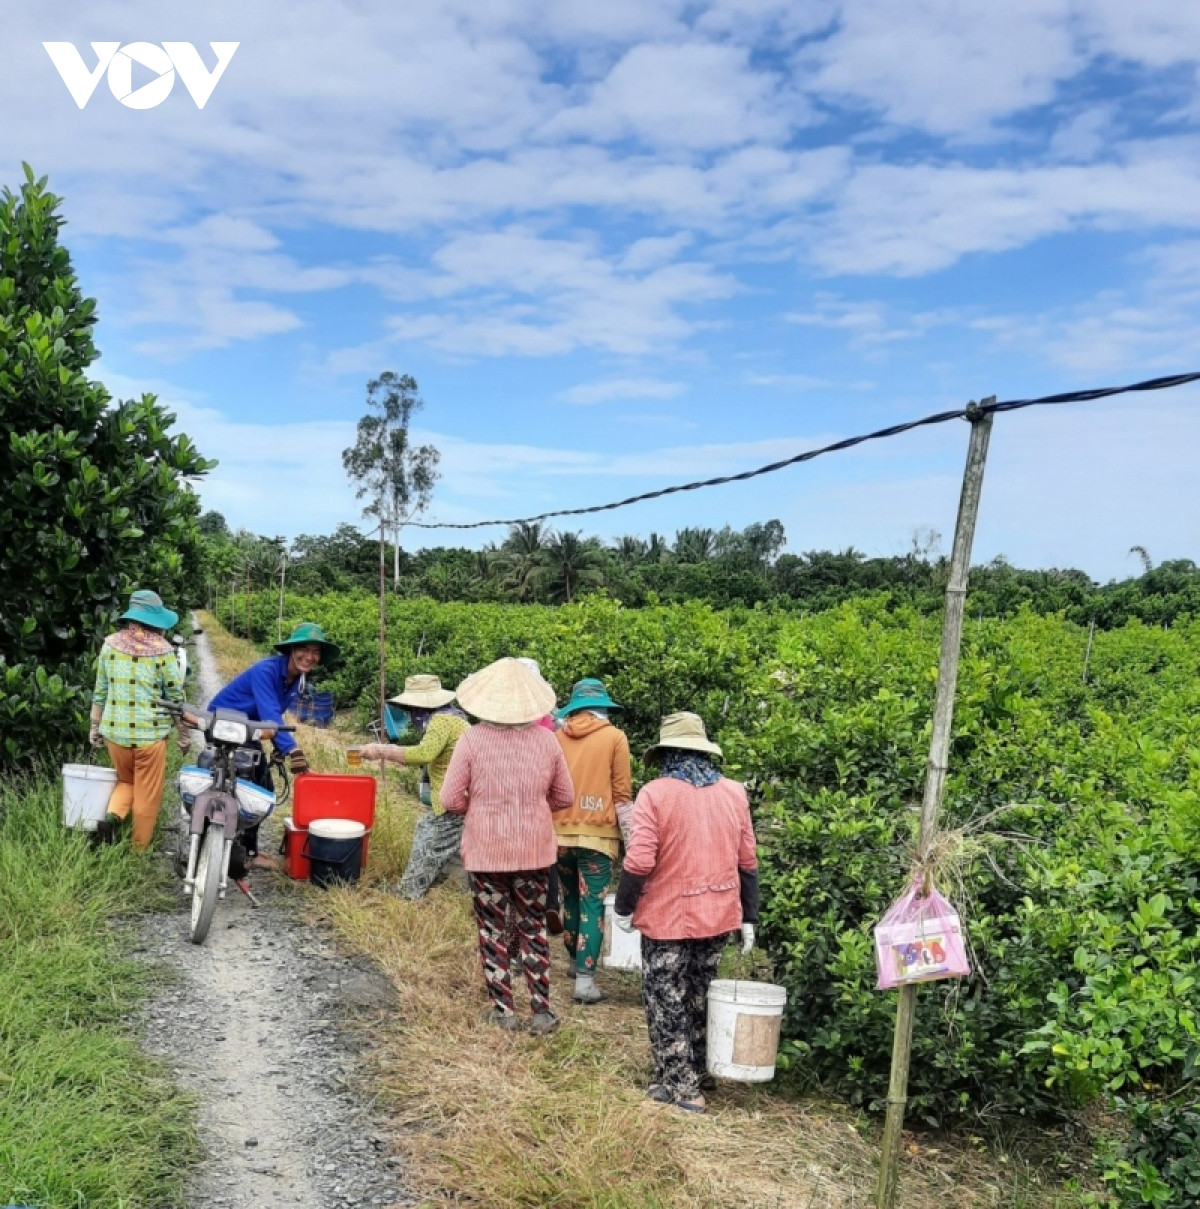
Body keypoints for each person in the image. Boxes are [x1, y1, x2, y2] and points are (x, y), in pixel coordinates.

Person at [614, 712, 759, 1114]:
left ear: (665, 753)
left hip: (668, 914)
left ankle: (685, 1087)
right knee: (698, 995)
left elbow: (640, 860)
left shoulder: (655, 794)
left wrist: (624, 906)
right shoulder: (734, 792)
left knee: (666, 997)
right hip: (719, 911)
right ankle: (686, 1073)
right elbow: (747, 860)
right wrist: (751, 916)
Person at [440, 658, 575, 1035]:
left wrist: (481, 807)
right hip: (534, 851)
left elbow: (450, 798)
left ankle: (503, 1011)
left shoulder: (472, 739)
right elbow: (565, 795)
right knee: (533, 926)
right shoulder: (546, 739)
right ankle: (542, 1012)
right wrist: (530, 808)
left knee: (492, 927)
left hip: (486, 851)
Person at [205, 621, 340, 864]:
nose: (309, 657)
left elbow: (273, 717)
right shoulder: (265, 671)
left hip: (250, 730)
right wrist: (292, 749)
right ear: (291, 649)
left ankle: (244, 849)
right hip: (224, 724)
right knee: (252, 786)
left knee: (262, 788)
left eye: (315, 652)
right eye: (304, 649)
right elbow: (271, 716)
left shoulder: (297, 680)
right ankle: (231, 845)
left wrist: (279, 748)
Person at [89, 589, 190, 849]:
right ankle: (139, 851)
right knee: (147, 793)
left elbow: (100, 691)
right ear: (157, 622)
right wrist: (184, 734)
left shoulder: (109, 645)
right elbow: (175, 698)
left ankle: (111, 819)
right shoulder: (163, 651)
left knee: (126, 781)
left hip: (115, 735)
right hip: (150, 738)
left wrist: (94, 726)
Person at [553, 677, 632, 1004]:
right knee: (592, 903)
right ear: (602, 707)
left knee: (569, 898)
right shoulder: (615, 738)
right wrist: (633, 843)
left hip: (558, 834)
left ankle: (574, 962)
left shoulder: (557, 737)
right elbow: (622, 794)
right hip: (598, 837)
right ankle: (585, 982)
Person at [361, 675, 470, 899]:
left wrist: (382, 751)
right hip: (463, 795)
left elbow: (423, 754)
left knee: (429, 840)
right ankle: (449, 890)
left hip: (454, 798)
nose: (411, 713)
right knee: (444, 839)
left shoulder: (441, 720)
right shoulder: (456, 718)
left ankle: (408, 893)